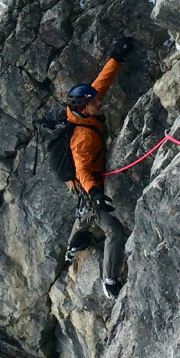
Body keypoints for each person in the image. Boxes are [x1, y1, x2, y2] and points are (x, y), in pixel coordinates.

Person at [64, 36, 132, 299]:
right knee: (112, 229)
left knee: (86, 215)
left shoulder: (84, 109)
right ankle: (110, 280)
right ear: (84, 108)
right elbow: (82, 170)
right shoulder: (83, 137)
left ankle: (74, 244)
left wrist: (116, 57)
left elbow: (100, 85)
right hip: (86, 183)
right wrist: (94, 193)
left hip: (88, 183)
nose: (99, 102)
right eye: (95, 103)